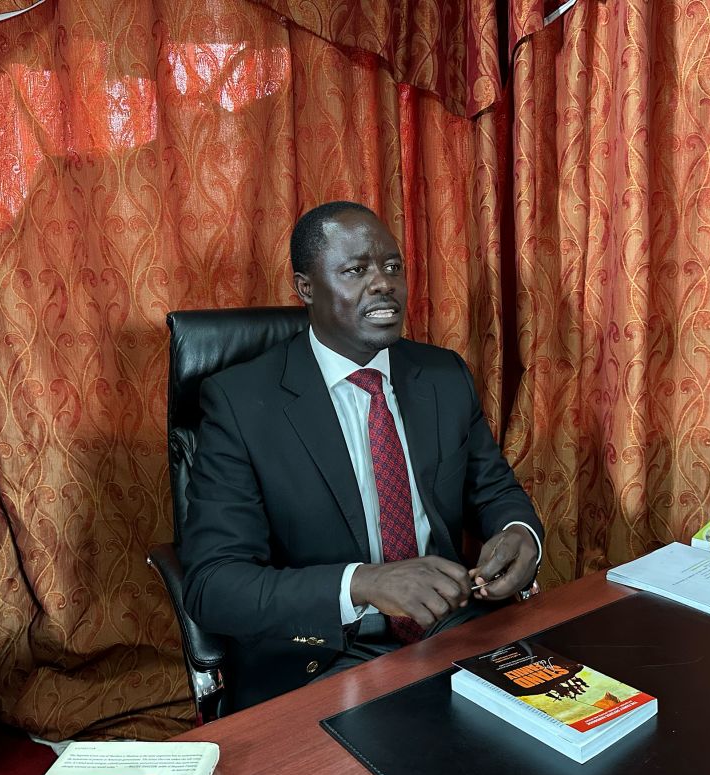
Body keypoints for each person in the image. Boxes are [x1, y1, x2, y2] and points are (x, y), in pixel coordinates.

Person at [181, 201, 544, 712]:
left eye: (392, 267)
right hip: (326, 654)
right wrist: (366, 583)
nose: (383, 284)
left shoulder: (442, 376)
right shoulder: (242, 403)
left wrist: (521, 536)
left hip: (453, 629)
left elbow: (496, 491)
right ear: (306, 288)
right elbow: (214, 585)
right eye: (356, 270)